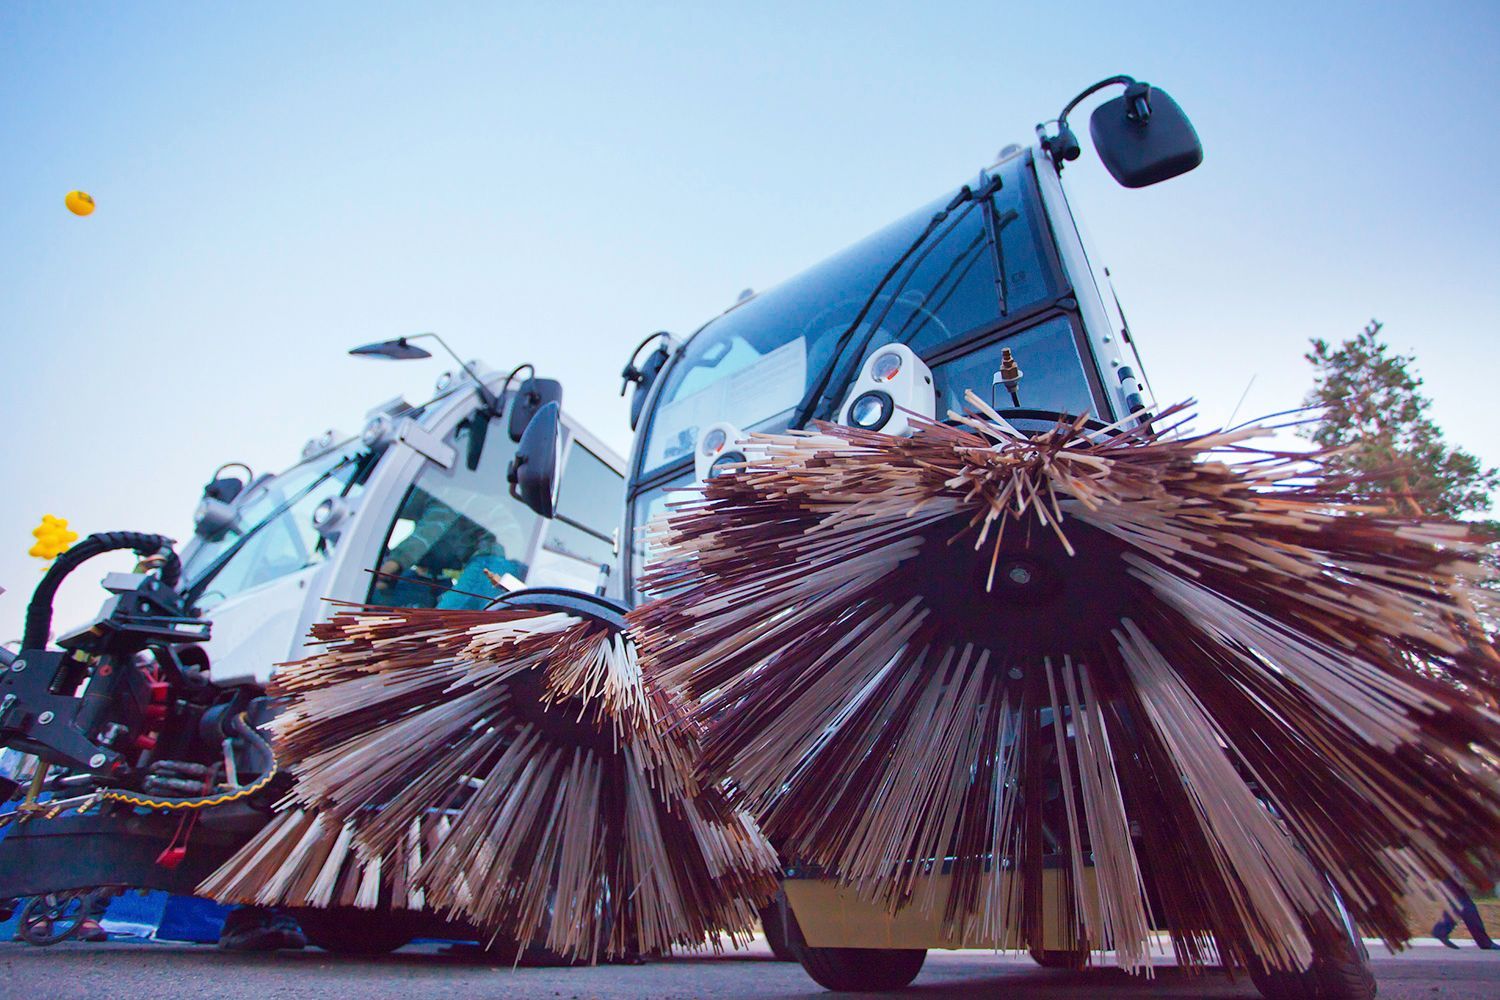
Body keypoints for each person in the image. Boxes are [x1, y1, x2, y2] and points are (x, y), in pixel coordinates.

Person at [1432, 877, 1496, 949]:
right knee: (1465, 906)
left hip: (1446, 874)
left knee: (1464, 906)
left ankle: (1441, 929)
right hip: (1444, 872)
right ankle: (1441, 929)